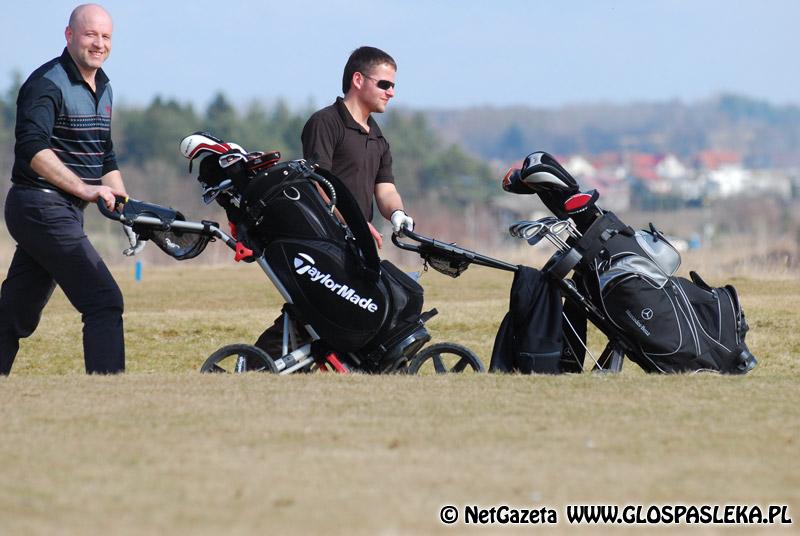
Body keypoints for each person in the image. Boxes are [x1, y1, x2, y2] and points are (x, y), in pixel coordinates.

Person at [0, 4, 136, 375]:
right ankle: (108, 396)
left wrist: (130, 209)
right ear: (69, 35)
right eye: (90, 34)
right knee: (104, 300)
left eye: (106, 36)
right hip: (39, 205)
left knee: (15, 312)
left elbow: (103, 155)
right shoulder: (47, 83)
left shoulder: (103, 86)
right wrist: (86, 189)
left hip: (61, 211)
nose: (99, 43)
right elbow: (32, 150)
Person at [254, 46, 414, 356]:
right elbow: (319, 185)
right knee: (318, 310)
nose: (391, 93)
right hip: (324, 239)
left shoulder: (377, 136)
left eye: (393, 85)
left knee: (337, 310)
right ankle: (256, 365)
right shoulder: (325, 123)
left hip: (356, 241)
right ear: (358, 79)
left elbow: (385, 188)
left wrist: (398, 214)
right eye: (384, 84)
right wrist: (355, 222)